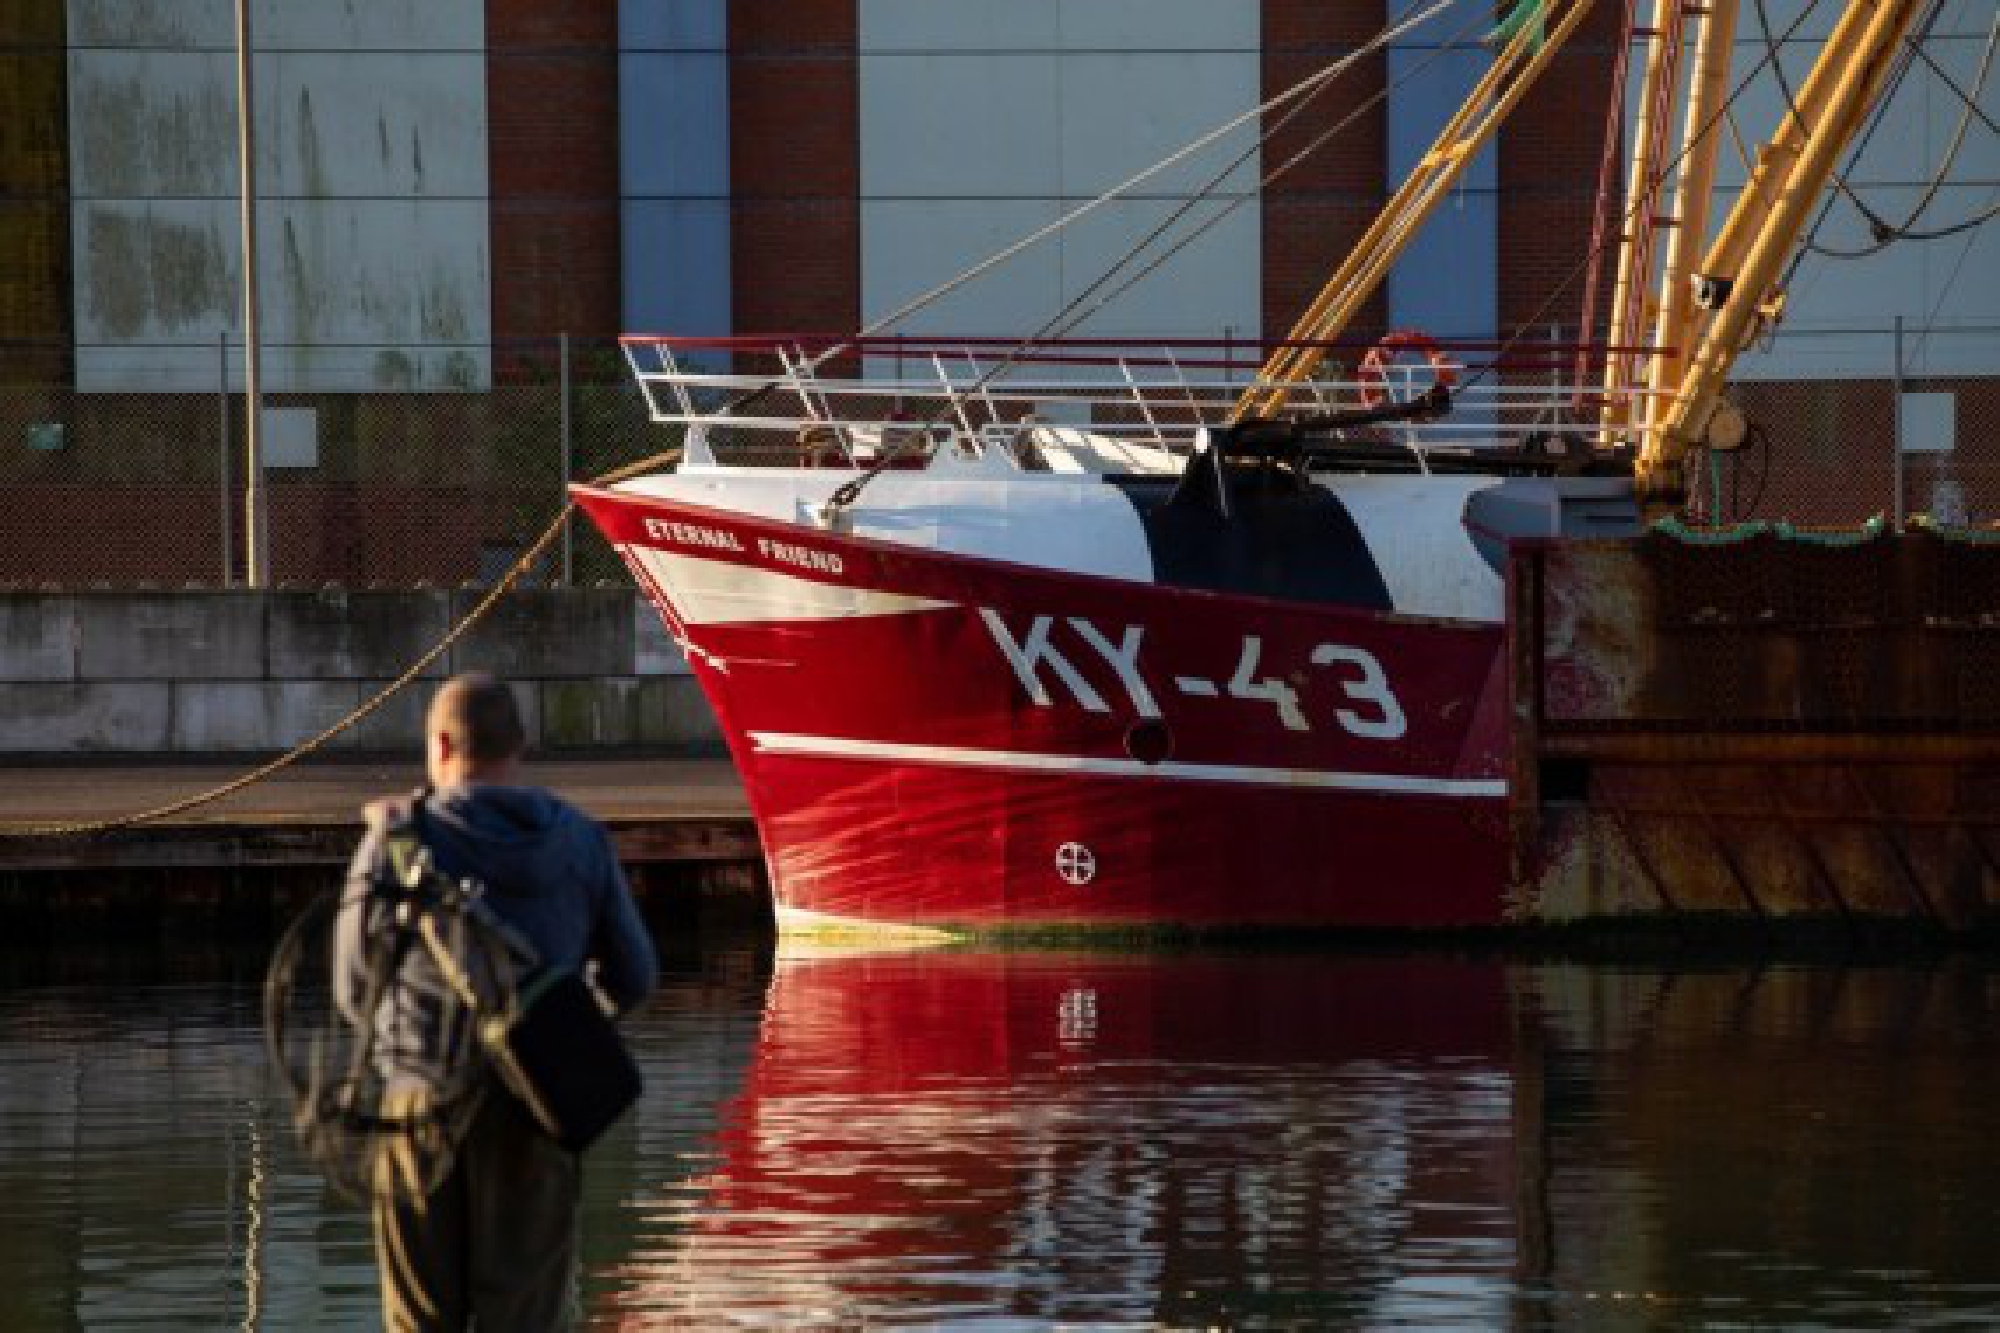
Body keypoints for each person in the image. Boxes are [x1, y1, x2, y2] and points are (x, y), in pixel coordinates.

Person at [334, 671, 658, 1332]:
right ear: (522, 743)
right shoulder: (580, 838)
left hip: (421, 1104)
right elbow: (636, 975)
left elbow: (351, 986)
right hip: (537, 1108)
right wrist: (561, 1029)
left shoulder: (398, 840)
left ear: (442, 744)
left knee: (421, 1317)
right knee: (527, 1315)